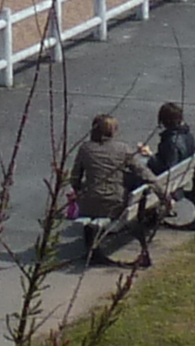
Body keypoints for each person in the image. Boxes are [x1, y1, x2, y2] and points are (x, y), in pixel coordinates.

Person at [65, 114, 152, 270]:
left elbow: (75, 178)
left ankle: (92, 250)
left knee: (90, 197)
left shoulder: (85, 149)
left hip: (90, 205)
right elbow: (144, 173)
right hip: (116, 203)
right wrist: (163, 195)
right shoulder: (123, 149)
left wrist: (79, 189)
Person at [142, 101, 195, 227]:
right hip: (182, 177)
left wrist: (149, 156)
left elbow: (167, 169)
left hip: (170, 182)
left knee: (140, 168)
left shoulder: (171, 141)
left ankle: (149, 210)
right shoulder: (187, 135)